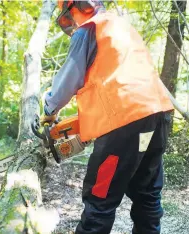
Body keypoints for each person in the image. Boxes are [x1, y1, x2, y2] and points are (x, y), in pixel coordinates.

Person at [41, 1, 174, 233]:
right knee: (148, 194)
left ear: (78, 7)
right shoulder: (123, 28)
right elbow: (115, 85)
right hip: (157, 113)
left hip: (124, 123)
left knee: (99, 199)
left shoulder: (90, 29)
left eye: (69, 17)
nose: (72, 23)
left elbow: (68, 80)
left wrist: (49, 111)